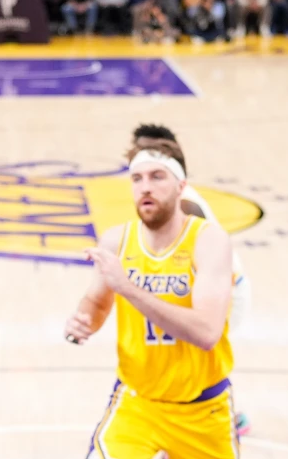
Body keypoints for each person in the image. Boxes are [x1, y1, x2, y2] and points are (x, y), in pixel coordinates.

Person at [66, 139, 237, 459]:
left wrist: (128, 288)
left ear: (181, 186)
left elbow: (206, 333)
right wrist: (83, 319)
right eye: (137, 178)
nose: (145, 187)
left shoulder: (208, 241)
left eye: (157, 177)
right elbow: (97, 301)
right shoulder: (117, 240)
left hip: (202, 412)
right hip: (137, 404)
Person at [131, 123, 251, 435]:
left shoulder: (184, 203)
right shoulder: (157, 197)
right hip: (208, 285)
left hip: (226, 290)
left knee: (196, 348)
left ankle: (222, 415)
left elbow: (194, 262)